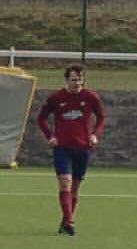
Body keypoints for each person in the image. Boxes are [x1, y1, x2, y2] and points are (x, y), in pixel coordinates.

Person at [36, 64, 105, 236]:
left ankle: (65, 220)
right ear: (66, 80)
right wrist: (50, 136)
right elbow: (41, 119)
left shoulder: (90, 97)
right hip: (62, 148)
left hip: (82, 148)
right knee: (65, 182)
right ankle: (69, 221)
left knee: (74, 187)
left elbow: (101, 117)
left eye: (80, 80)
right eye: (74, 80)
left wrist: (95, 134)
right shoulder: (56, 97)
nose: (77, 83)